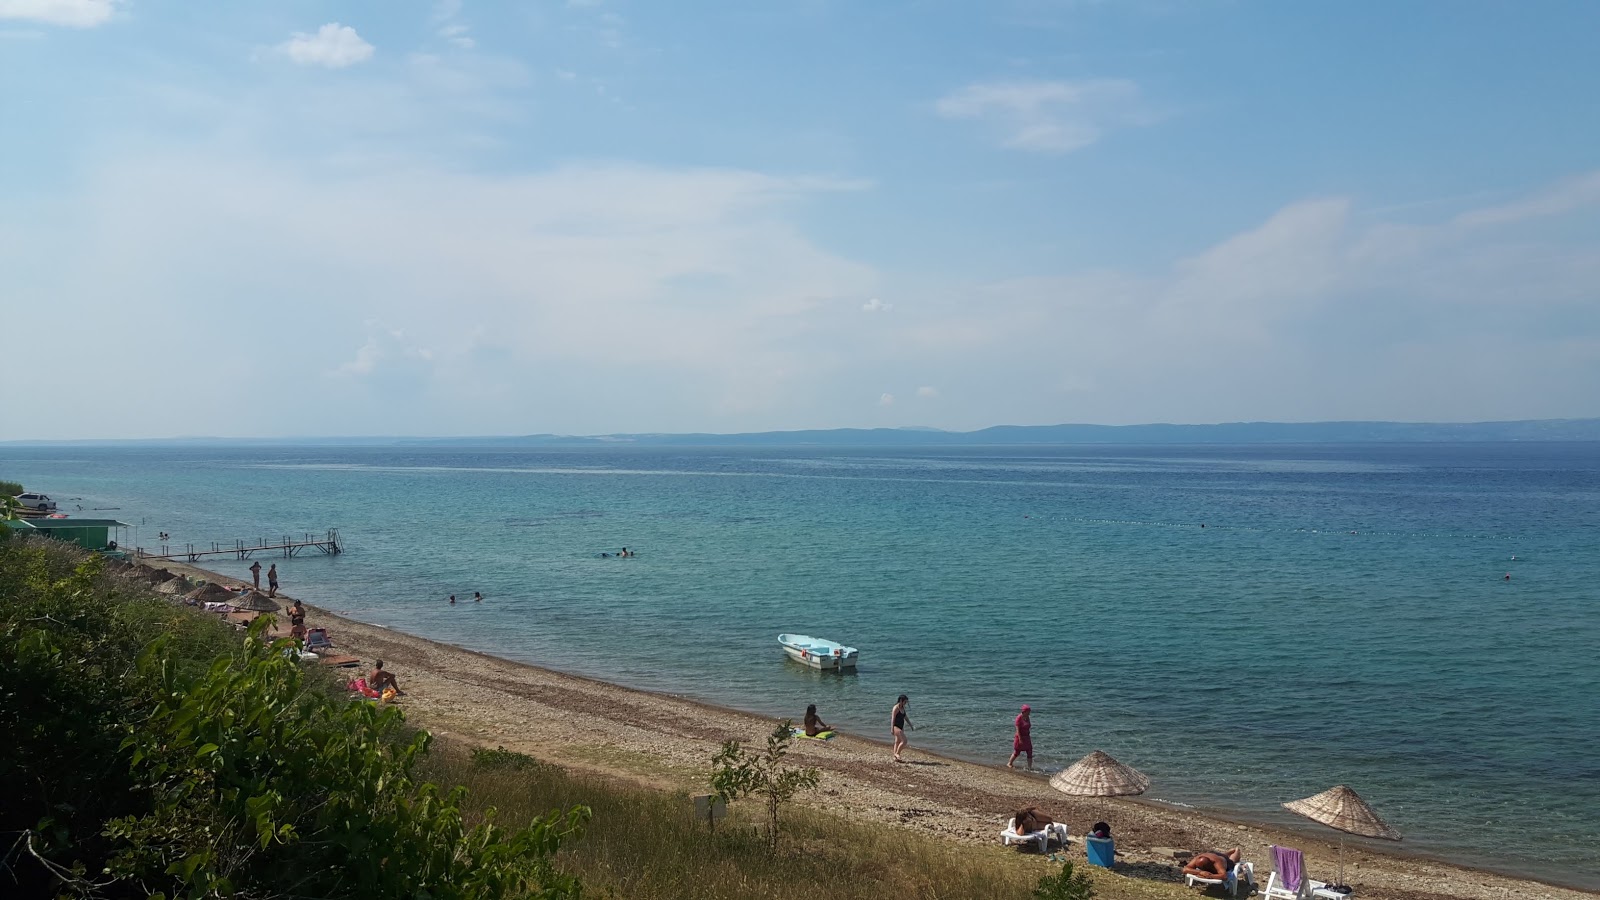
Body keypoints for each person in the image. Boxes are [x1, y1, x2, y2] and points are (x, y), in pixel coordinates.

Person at [1008, 704, 1033, 770]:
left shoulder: (1027, 717)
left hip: (1027, 737)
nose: (1029, 713)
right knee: (1017, 751)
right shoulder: (1018, 718)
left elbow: (1028, 725)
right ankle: (1009, 763)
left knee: (1029, 751)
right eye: (1028, 712)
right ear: (1024, 711)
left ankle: (1030, 768)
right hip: (1020, 737)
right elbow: (1017, 730)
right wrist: (1020, 739)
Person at [890, 695, 913, 762]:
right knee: (904, 741)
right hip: (896, 727)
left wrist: (910, 725)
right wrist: (892, 729)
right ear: (901, 701)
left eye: (906, 702)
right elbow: (893, 719)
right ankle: (897, 753)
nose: (905, 703)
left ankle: (895, 757)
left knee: (897, 742)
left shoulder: (902, 708)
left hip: (901, 727)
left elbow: (905, 717)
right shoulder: (896, 708)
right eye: (905, 701)